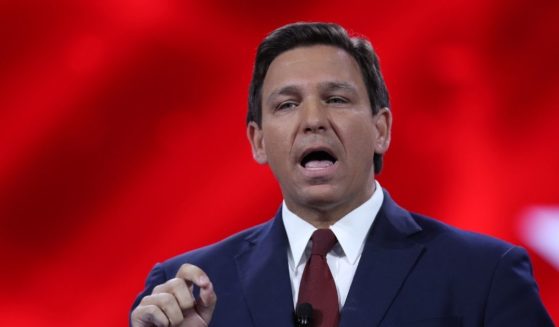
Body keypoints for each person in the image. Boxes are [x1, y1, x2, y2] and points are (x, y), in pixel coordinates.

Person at [130, 22, 554, 327]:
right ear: (258, 142)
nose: (313, 120)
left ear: (380, 129)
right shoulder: (185, 291)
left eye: (336, 98)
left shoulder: (484, 274)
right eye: (287, 105)